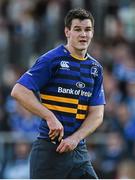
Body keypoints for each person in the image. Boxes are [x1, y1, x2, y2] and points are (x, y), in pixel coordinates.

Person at [11, 8, 106, 179]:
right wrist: (49, 116)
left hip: (78, 152)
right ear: (67, 31)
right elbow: (19, 91)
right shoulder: (52, 60)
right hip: (50, 151)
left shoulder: (95, 69)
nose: (83, 34)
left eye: (87, 29)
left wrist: (76, 138)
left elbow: (97, 114)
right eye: (77, 29)